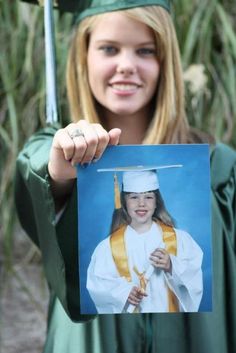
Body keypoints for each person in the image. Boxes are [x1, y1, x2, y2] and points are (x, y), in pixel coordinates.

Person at [14, 0, 236, 352]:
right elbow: (39, 167)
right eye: (109, 49)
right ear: (83, 56)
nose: (127, 66)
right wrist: (59, 173)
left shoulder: (219, 169)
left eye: (145, 50)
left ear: (166, 62)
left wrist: (173, 265)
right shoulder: (60, 155)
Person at [87, 169, 203, 314]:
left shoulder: (179, 240)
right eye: (134, 197)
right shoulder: (108, 247)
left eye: (148, 197)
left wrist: (171, 265)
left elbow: (194, 275)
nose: (141, 203)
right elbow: (98, 284)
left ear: (156, 203)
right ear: (124, 203)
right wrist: (123, 293)